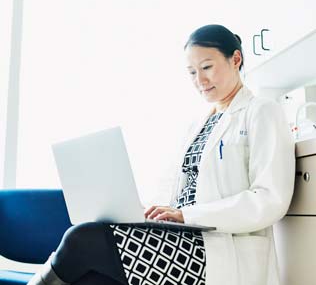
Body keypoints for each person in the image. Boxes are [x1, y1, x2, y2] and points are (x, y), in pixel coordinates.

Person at [28, 24, 295, 285]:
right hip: (183, 238)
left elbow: (269, 199)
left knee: (83, 239)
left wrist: (185, 216)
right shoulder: (198, 125)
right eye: (191, 72)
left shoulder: (261, 111)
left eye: (207, 67)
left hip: (221, 252)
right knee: (92, 274)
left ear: (235, 59)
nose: (199, 81)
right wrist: (147, 213)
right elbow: (174, 192)